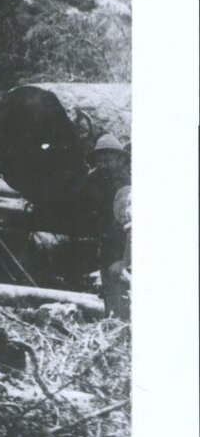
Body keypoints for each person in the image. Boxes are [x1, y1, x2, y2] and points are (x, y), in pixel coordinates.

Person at [85, 133, 130, 319]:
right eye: (100, 160)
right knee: (108, 284)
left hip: (125, 242)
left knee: (122, 283)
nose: (103, 164)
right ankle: (111, 319)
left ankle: (123, 322)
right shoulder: (93, 180)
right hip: (105, 241)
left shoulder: (127, 184)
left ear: (120, 160)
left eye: (108, 160)